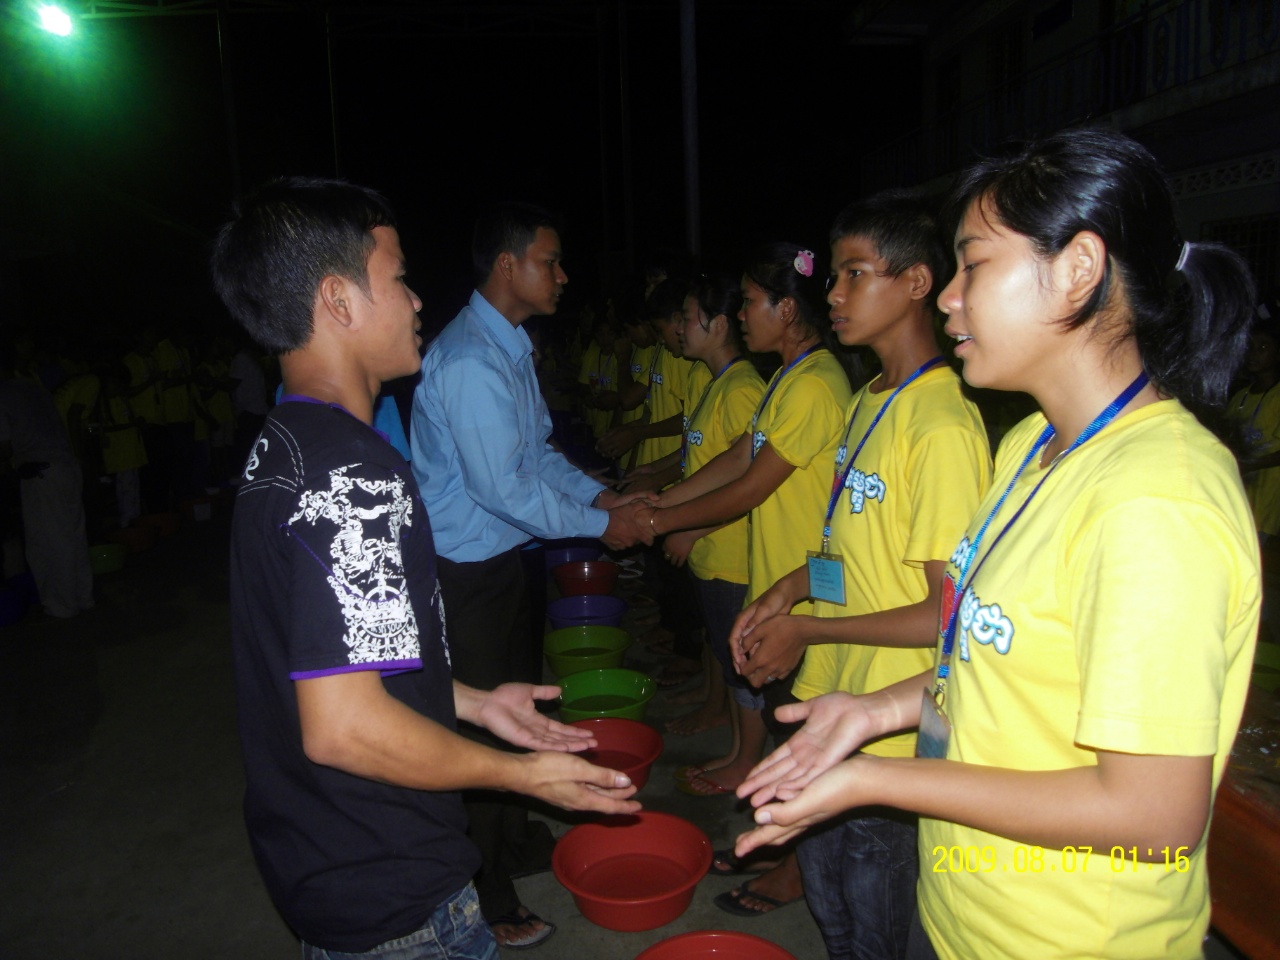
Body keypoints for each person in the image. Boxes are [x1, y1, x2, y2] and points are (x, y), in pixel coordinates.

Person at [733, 128, 1260, 960]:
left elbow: (1154, 815)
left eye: (973, 265)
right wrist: (873, 711)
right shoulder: (1030, 447)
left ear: (1078, 269)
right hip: (966, 913)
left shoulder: (1157, 500)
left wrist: (876, 776)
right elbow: (989, 663)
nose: (948, 297)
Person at [210, 178, 640, 960]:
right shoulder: (353, 475)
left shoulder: (289, 443)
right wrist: (521, 775)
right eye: (399, 278)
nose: (416, 301)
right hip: (392, 878)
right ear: (338, 300)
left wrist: (473, 702)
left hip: (328, 858)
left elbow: (334, 670)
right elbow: (345, 728)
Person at [728, 192, 991, 960]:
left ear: (915, 283)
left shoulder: (941, 424)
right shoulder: (871, 399)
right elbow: (855, 553)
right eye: (834, 276)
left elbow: (945, 613)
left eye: (855, 274)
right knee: (831, 904)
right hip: (829, 696)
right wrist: (789, 589)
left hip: (890, 724)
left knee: (876, 921)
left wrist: (806, 627)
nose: (834, 295)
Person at [409, 200, 652, 948]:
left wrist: (599, 497)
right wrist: (603, 526)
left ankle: (511, 841)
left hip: (504, 561)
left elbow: (537, 457)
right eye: (551, 261)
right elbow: (503, 490)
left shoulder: (508, 347)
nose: (563, 275)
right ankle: (486, 888)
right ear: (507, 265)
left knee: (520, 710)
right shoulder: (469, 361)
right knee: (485, 730)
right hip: (466, 574)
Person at [638, 243, 855, 918]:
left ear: (787, 309)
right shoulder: (789, 378)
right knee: (790, 726)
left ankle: (795, 866)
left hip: (809, 588)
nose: (741, 313)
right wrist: (662, 504)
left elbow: (751, 487)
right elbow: (737, 457)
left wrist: (661, 520)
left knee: (800, 732)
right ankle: (789, 849)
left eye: (752, 301)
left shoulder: (814, 384)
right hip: (780, 579)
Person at [660, 273, 765, 737]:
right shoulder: (715, 382)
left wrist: (690, 528)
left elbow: (748, 480)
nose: (680, 328)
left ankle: (745, 753)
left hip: (730, 554)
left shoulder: (742, 389)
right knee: (716, 639)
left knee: (736, 655)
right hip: (711, 551)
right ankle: (715, 709)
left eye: (687, 318)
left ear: (717, 325)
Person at [0, 359, 95, 619]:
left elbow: (4, 447)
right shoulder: (33, 388)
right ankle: (83, 597)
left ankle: (61, 606)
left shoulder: (3, 394)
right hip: (66, 465)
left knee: (49, 541)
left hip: (42, 472)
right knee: (73, 535)